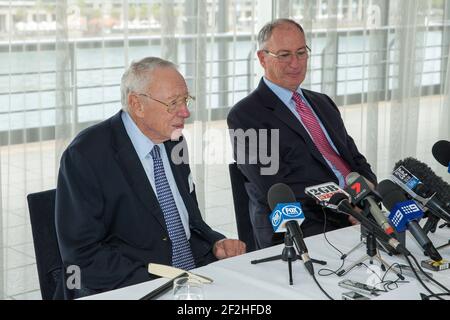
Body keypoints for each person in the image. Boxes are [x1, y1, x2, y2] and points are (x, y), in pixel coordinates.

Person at [56, 57, 246, 298]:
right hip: (129, 285)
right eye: (173, 103)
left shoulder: (174, 142)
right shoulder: (87, 155)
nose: (185, 111)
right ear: (137, 104)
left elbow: (188, 222)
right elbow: (82, 255)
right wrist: (162, 283)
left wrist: (215, 242)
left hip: (190, 278)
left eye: (186, 100)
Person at [227, 19, 377, 249]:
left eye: (301, 52)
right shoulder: (245, 115)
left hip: (356, 211)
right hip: (306, 224)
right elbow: (275, 186)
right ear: (262, 58)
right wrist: (344, 207)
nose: (295, 63)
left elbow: (354, 159)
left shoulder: (322, 102)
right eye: (284, 55)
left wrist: (365, 192)